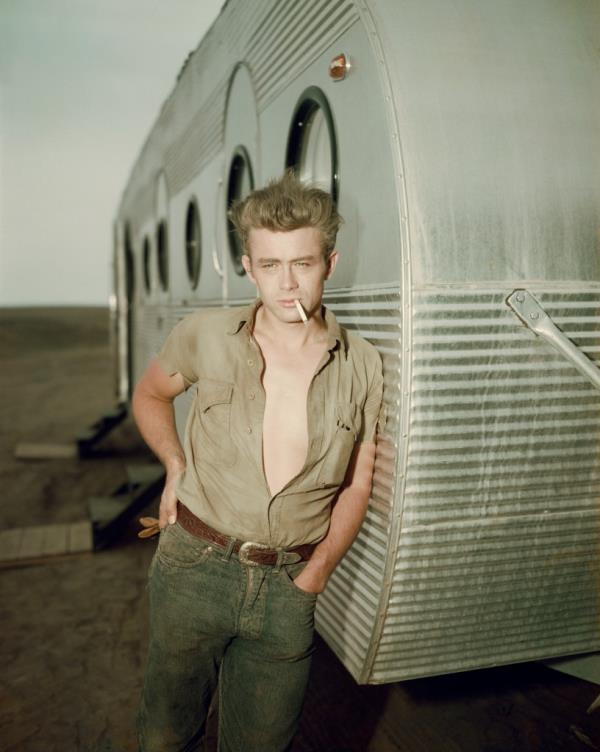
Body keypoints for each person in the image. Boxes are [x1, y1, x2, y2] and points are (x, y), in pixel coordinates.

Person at [133, 171, 384, 752]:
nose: (287, 283)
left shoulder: (363, 364)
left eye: (303, 263)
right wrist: (174, 465)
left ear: (330, 262)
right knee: (164, 736)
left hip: (286, 589)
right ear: (248, 266)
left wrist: (315, 573)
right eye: (270, 265)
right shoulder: (206, 334)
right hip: (193, 568)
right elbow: (151, 395)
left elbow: (357, 482)